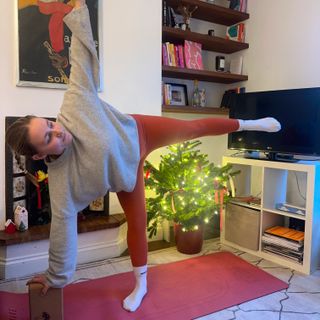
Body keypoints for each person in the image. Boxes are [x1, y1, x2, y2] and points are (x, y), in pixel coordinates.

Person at [6, 0, 281, 312]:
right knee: (138, 223)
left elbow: (80, 55)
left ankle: (249, 123)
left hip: (139, 130)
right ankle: (141, 284)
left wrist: (77, 11)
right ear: (41, 157)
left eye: (51, 125)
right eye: (48, 138)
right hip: (127, 175)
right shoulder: (61, 185)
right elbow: (62, 233)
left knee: (195, 128)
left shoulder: (73, 105)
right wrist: (55, 277)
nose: (59, 132)